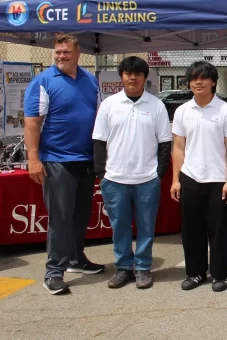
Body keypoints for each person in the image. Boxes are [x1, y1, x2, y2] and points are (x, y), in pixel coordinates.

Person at [24, 34, 104, 295]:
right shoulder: (42, 81)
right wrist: (33, 159)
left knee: (81, 216)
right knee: (60, 219)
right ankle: (54, 271)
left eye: (66, 52)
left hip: (85, 160)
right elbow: (32, 122)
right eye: (57, 52)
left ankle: (75, 259)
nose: (61, 56)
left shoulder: (90, 80)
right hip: (57, 161)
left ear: (78, 53)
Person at [93, 56, 173, 289]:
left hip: (147, 178)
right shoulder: (109, 104)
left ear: (144, 78)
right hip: (115, 178)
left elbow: (165, 143)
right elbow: (99, 141)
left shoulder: (156, 105)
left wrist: (159, 174)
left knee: (147, 225)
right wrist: (102, 175)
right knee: (119, 226)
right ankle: (123, 268)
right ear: (122, 77)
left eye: (137, 74)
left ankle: (143, 267)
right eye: (128, 73)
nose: (133, 77)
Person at [171, 61, 227, 292]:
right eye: (193, 78)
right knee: (191, 230)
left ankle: (220, 274)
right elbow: (178, 147)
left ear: (213, 82)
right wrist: (175, 179)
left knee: (218, 230)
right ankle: (195, 272)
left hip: (218, 178)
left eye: (203, 78)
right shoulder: (182, 111)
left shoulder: (225, 110)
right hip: (190, 176)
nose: (198, 82)